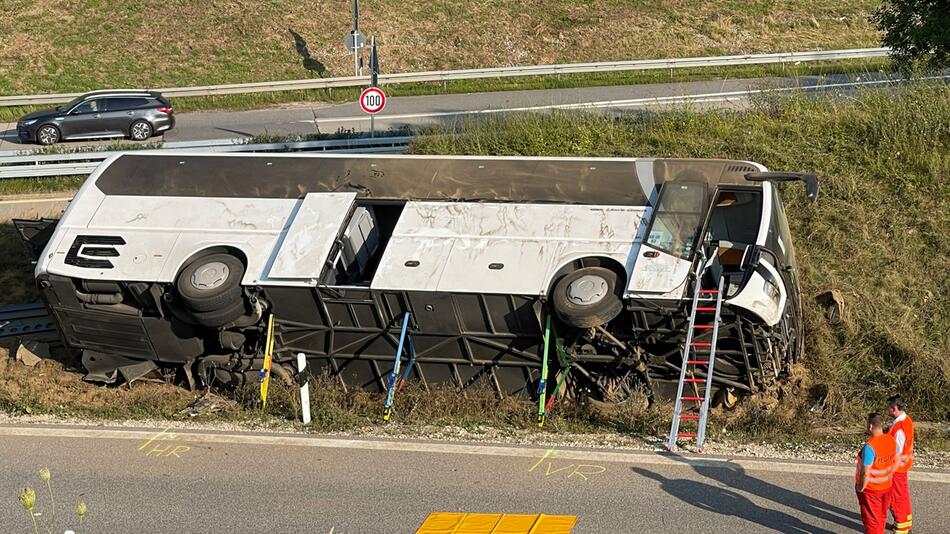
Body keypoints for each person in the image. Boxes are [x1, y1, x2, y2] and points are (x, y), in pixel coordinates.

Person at [855, 412, 898, 534]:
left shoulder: (870, 447)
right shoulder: (891, 440)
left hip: (871, 490)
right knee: (881, 517)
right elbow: (895, 461)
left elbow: (865, 473)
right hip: (886, 486)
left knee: (871, 521)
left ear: (870, 426)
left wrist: (860, 487)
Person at [887, 394, 914, 533]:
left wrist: (889, 472)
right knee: (903, 495)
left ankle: (901, 527)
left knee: (896, 498)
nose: (888, 411)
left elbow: (896, 452)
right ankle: (907, 522)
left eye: (889, 408)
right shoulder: (907, 419)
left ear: (894, 408)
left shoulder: (899, 429)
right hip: (905, 465)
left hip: (897, 468)